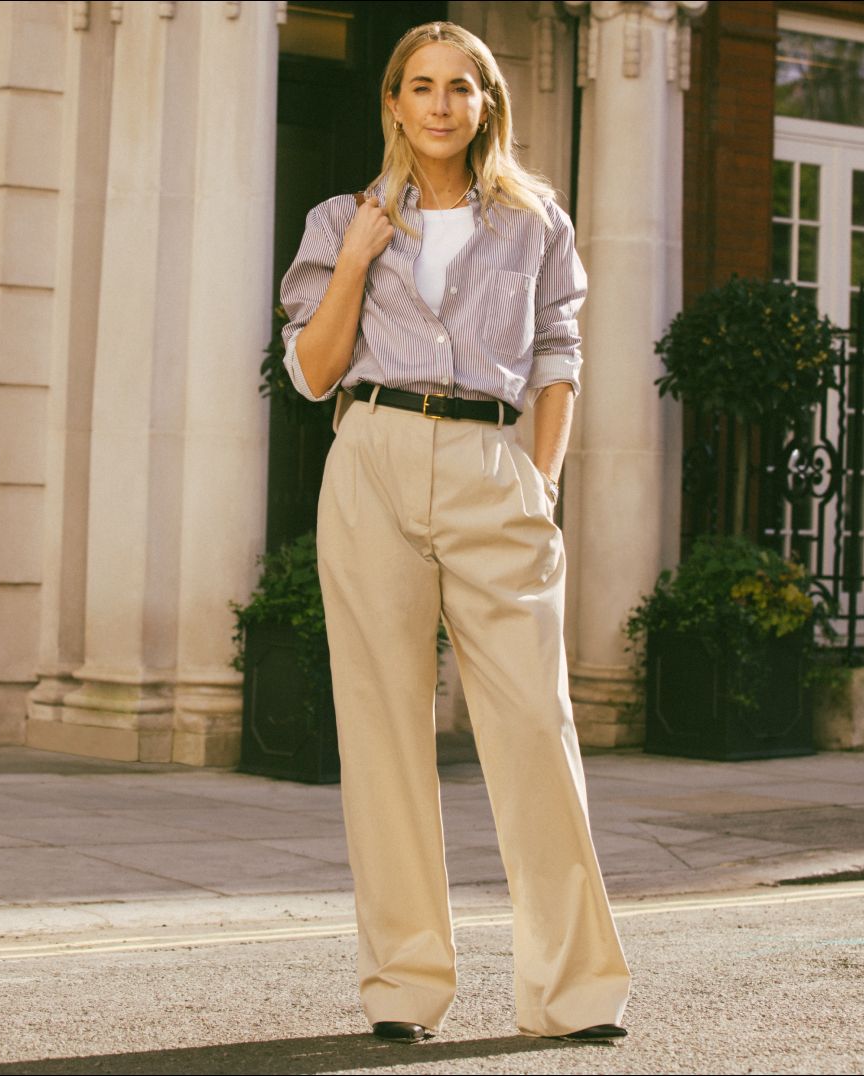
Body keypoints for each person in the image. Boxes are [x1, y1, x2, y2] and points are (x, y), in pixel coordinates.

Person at [279, 20, 631, 1045]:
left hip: (491, 466)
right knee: (383, 729)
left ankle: (575, 992)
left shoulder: (536, 223)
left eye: (459, 88)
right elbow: (311, 372)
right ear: (393, 103)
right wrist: (351, 262)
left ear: (487, 106)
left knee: (533, 725)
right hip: (374, 454)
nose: (439, 104)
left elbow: (559, 352)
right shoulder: (339, 218)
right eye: (420, 86)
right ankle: (403, 984)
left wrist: (543, 482)